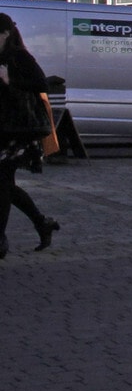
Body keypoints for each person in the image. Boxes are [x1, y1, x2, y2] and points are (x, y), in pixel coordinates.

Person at [0, 13, 60, 256]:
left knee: (3, 181)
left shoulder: (19, 56)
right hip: (2, 128)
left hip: (18, 130)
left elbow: (41, 84)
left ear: (5, 34)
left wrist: (9, 80)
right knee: (5, 185)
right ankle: (42, 222)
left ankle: (0, 240)